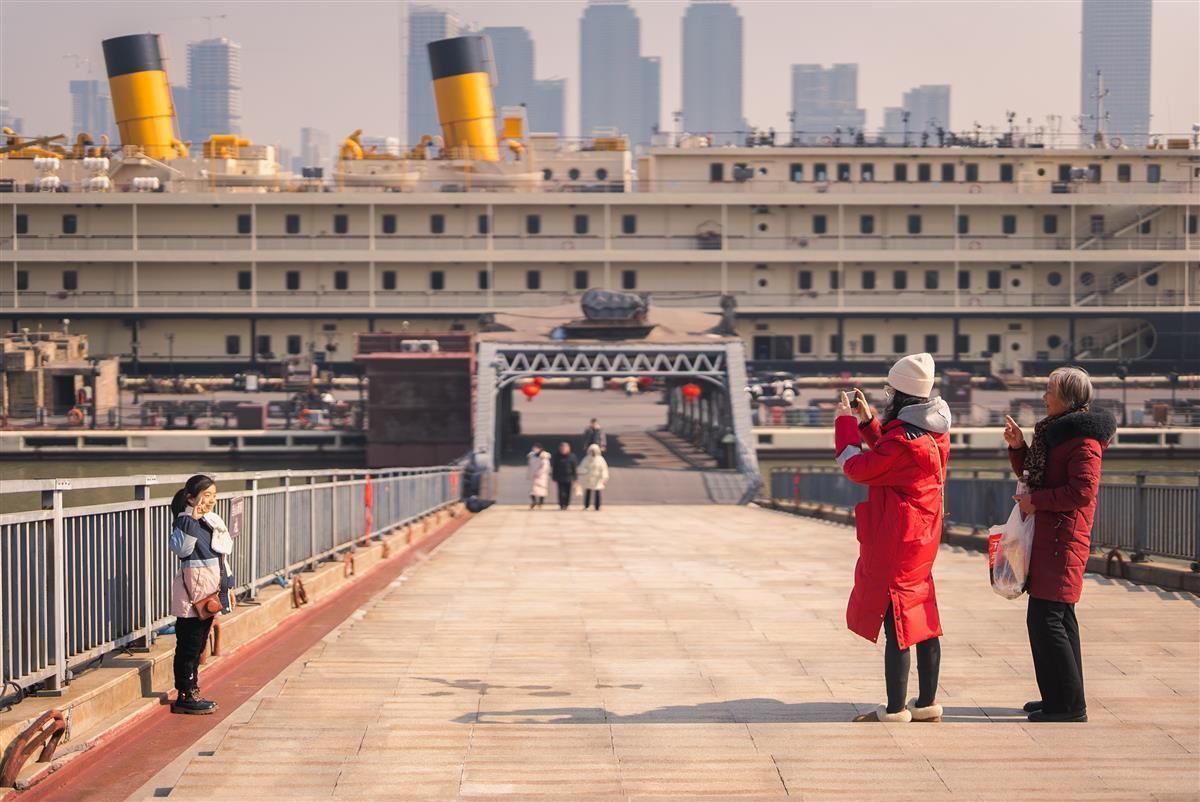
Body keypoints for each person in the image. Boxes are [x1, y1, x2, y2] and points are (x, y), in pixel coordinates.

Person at [833, 353, 951, 723]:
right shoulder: (932, 431)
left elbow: (858, 467)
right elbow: (891, 452)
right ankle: (927, 703)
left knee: (896, 617)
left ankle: (895, 708)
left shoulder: (902, 442)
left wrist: (844, 426)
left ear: (900, 396)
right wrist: (868, 421)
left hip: (898, 536)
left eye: (889, 392)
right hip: (922, 535)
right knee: (922, 613)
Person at [1005, 366, 1115, 723]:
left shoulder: (1084, 441)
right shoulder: (1055, 433)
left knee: (1047, 619)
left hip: (1063, 538)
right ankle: (1060, 697)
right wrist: (1019, 447)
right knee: (1059, 619)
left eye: (1049, 390)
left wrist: (1038, 502)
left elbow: (1082, 492)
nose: (1043, 396)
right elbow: (1035, 474)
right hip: (1051, 537)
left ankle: (1067, 706)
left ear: (1067, 398)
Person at [168, 475, 223, 715]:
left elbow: (221, 558)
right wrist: (191, 517)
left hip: (208, 594)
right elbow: (181, 550)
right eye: (205, 495)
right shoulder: (185, 522)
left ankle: (193, 691)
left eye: (213, 494)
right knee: (189, 647)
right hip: (191, 598)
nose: (210, 500)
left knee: (199, 644)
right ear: (190, 498)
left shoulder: (209, 522)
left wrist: (226, 590)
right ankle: (185, 695)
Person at [577, 443, 610, 511]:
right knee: (588, 492)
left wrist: (604, 477)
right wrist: (585, 471)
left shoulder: (600, 459)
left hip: (597, 478)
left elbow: (604, 469)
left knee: (597, 492)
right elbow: (581, 468)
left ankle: (597, 506)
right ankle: (586, 505)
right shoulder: (586, 459)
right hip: (589, 478)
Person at [550, 441, 578, 510]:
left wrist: (575, 477)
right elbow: (554, 467)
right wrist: (553, 476)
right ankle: (561, 504)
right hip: (560, 476)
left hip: (569, 476)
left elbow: (574, 467)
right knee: (561, 492)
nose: (563, 450)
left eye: (565, 448)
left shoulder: (572, 456)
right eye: (562, 448)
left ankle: (567, 504)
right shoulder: (557, 456)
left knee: (568, 491)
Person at [527, 443, 549, 509]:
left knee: (542, 490)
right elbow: (530, 466)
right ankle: (534, 502)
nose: (535, 449)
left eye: (536, 448)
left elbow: (545, 467)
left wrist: (539, 473)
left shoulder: (544, 456)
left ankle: (541, 503)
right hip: (533, 475)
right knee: (532, 491)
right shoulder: (531, 456)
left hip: (541, 476)